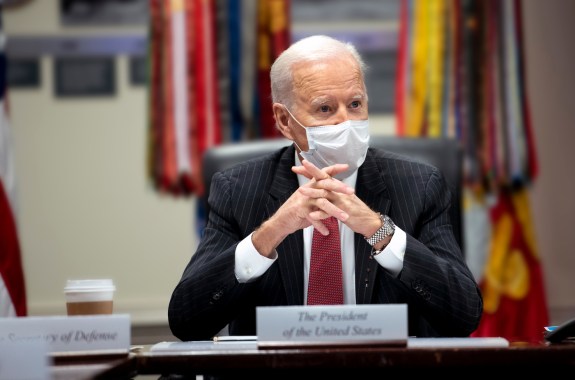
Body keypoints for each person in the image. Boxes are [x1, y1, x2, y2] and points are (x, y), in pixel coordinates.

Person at [168, 35, 483, 341]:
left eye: (355, 104)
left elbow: (464, 314)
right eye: (325, 109)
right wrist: (271, 233)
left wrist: (379, 231)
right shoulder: (238, 190)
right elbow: (187, 321)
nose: (346, 122)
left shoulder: (419, 185)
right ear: (283, 120)